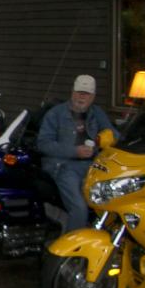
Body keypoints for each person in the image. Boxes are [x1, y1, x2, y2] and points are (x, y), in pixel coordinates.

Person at [37, 74, 117, 232]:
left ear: (93, 96)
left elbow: (114, 134)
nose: (82, 97)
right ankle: (72, 243)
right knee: (79, 207)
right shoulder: (55, 114)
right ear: (72, 92)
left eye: (86, 94)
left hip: (93, 166)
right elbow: (43, 144)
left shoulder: (97, 113)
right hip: (63, 166)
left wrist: (103, 139)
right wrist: (74, 151)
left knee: (112, 199)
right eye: (79, 92)